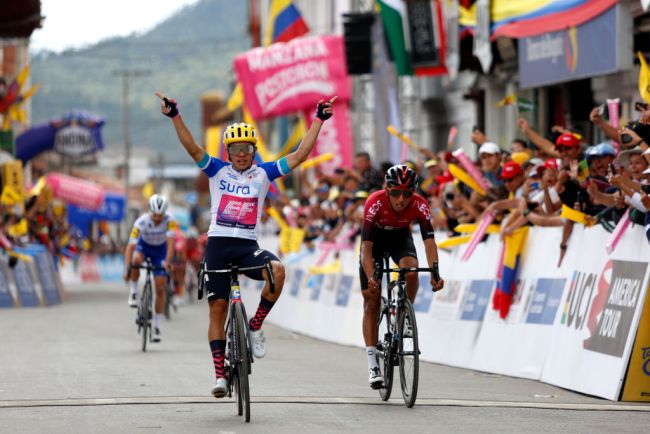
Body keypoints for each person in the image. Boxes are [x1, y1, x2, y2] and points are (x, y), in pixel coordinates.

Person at [156, 91, 336, 398]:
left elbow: (300, 155)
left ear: (253, 151)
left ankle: (254, 326)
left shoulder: (263, 173)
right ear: (228, 150)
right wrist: (175, 116)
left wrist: (318, 120)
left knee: (277, 271)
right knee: (218, 309)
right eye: (236, 148)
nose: (241, 153)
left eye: (247, 148)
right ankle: (220, 377)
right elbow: (191, 147)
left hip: (247, 246)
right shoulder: (216, 170)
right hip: (218, 245)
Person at [359, 164, 444, 389]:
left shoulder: (420, 205)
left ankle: (405, 312)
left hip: (399, 239)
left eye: (407, 194)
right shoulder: (374, 202)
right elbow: (366, 249)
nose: (401, 199)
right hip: (374, 242)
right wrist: (370, 276)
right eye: (396, 193)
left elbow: (429, 243)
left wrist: (435, 272)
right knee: (371, 300)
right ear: (387, 190)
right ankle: (372, 364)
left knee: (411, 268)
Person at [123, 194, 176, 343]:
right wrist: (127, 268)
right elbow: (130, 247)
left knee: (160, 288)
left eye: (160, 215)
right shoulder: (140, 222)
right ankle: (133, 292)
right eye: (155, 215)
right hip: (143, 248)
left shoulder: (170, 220)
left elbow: (171, 244)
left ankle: (157, 326)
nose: (158, 218)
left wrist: (167, 261)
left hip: (160, 251)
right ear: (149, 211)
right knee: (135, 260)